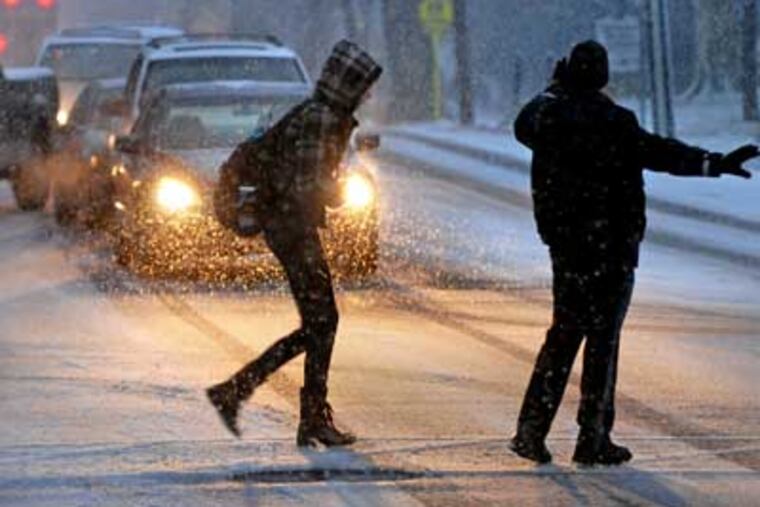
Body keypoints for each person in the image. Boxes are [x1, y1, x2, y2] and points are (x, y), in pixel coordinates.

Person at [510, 40, 757, 466]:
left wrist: (556, 85)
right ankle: (593, 437)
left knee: (563, 335)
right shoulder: (614, 122)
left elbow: (523, 122)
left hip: (568, 248)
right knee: (603, 342)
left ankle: (531, 432)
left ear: (567, 71)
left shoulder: (545, 116)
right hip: (611, 248)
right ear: (603, 77)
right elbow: (662, 153)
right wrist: (712, 162)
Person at [207, 40, 382, 447]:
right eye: (363, 86)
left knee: (319, 322)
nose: (367, 95)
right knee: (323, 322)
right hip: (290, 227)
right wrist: (335, 193)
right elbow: (308, 186)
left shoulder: (320, 113)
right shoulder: (322, 118)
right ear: (347, 85)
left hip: (287, 224)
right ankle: (256, 398)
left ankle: (252, 397)